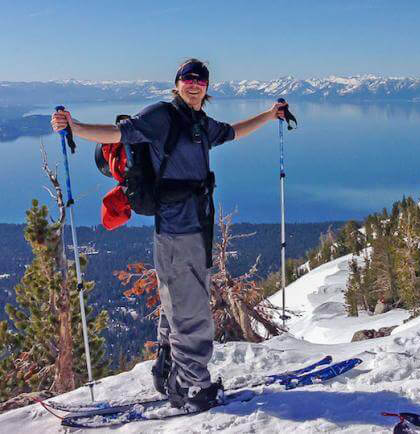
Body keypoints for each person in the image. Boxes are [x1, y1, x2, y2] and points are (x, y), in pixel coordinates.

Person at [51, 58, 286, 410]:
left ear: (206, 88)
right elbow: (119, 133)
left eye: (200, 80)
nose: (194, 84)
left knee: (180, 302)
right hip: (176, 230)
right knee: (191, 311)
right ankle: (192, 388)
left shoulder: (200, 123)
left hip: (197, 227)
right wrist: (75, 126)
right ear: (176, 84)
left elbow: (234, 131)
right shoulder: (160, 116)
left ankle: (169, 371)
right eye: (187, 79)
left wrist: (270, 115)